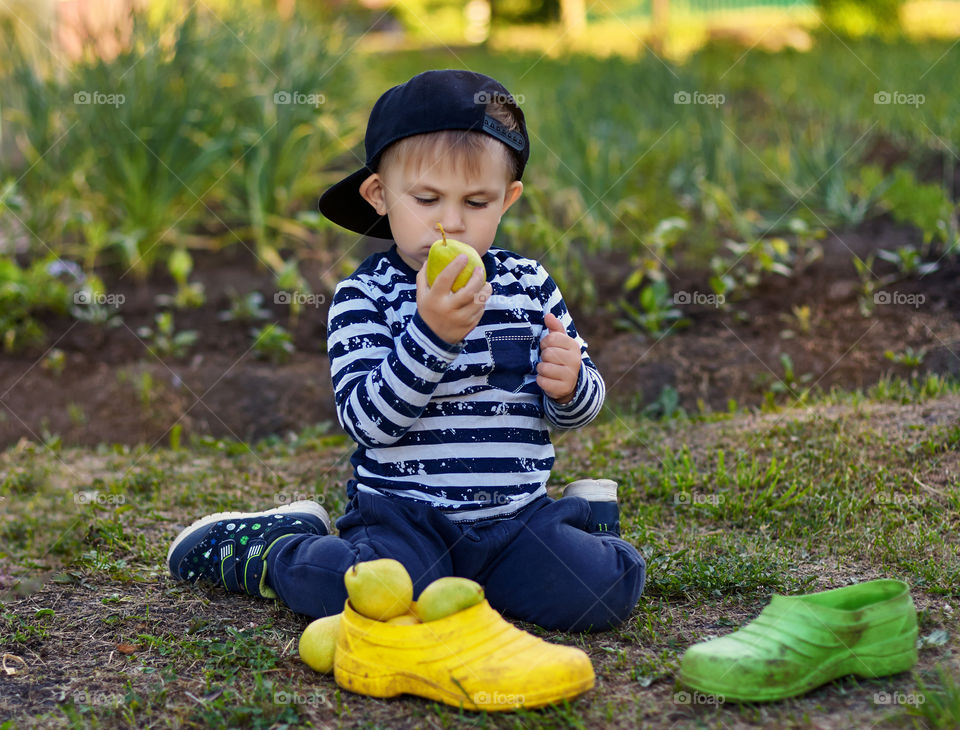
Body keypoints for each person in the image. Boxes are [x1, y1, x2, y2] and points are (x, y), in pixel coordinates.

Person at [168, 69, 645, 632]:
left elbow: (577, 407)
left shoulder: (528, 284)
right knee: (366, 599)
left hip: (516, 518)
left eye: (476, 201)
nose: (451, 221)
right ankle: (272, 549)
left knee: (601, 593)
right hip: (406, 520)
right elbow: (369, 422)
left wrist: (572, 386)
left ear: (508, 200)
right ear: (379, 195)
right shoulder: (365, 296)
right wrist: (431, 336)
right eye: (425, 198)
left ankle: (589, 531)